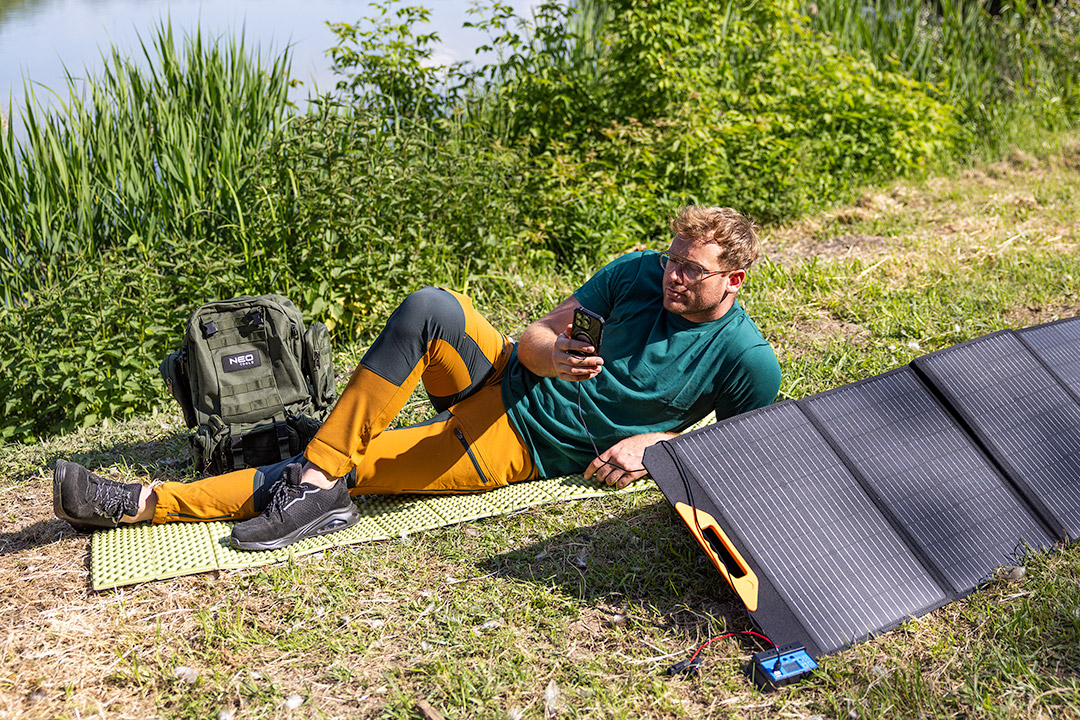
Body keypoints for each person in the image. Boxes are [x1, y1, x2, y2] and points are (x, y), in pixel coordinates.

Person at [53, 206, 782, 551]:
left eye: (691, 270)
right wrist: (545, 355)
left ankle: (138, 503)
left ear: (735, 280)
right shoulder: (638, 273)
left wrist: (656, 446)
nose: (673, 276)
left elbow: (749, 451)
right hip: (506, 376)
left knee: (354, 464)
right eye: (672, 259)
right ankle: (317, 486)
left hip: (520, 444)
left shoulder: (744, 358)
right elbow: (539, 330)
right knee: (433, 306)